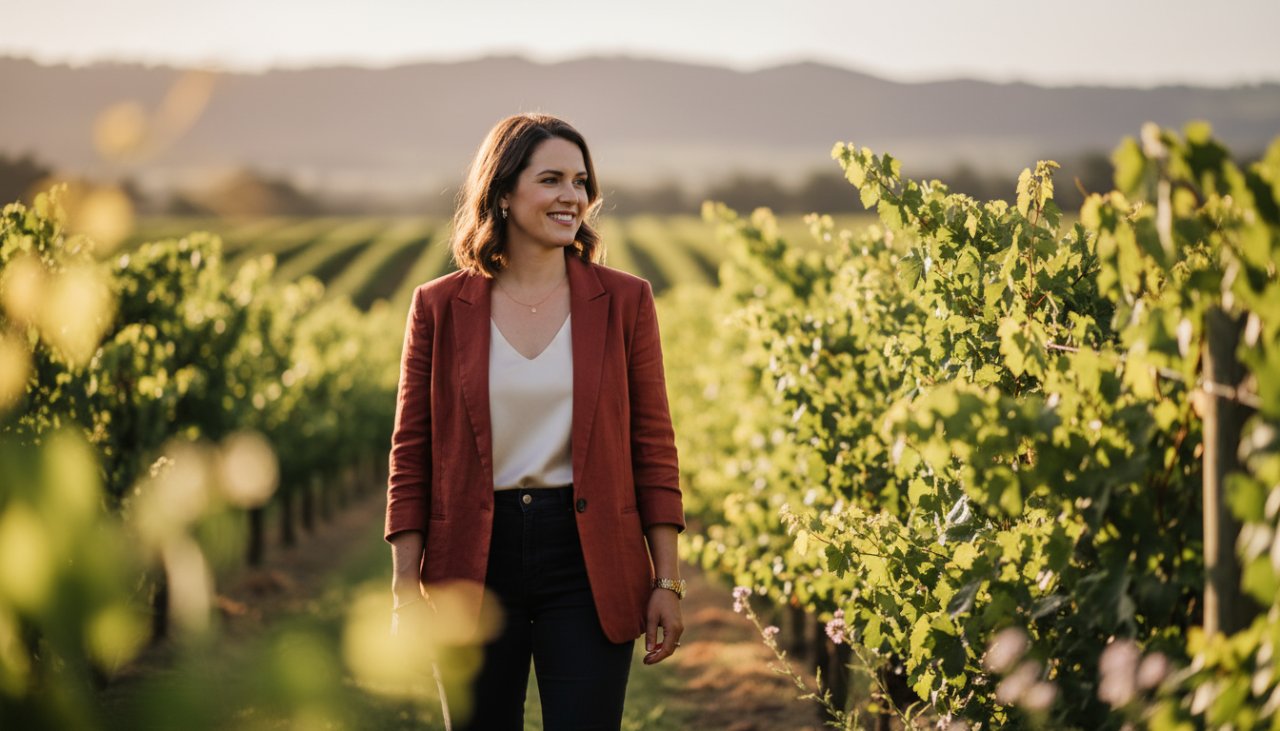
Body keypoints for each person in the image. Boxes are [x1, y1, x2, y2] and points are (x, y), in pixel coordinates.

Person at [383, 112, 687, 730]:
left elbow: (652, 446)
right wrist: (403, 586)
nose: (572, 196)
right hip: (471, 558)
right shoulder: (437, 308)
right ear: (502, 192)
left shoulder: (626, 302)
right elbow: (411, 453)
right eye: (551, 179)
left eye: (580, 181)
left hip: (589, 556)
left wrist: (668, 581)